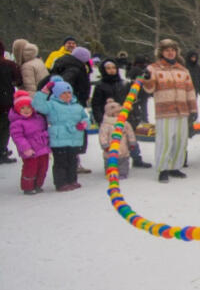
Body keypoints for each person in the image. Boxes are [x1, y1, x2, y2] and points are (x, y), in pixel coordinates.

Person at [141, 39, 197, 183]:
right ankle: (162, 169)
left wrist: (193, 108)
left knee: (180, 140)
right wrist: (146, 79)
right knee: (164, 141)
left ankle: (174, 166)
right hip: (165, 110)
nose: (170, 52)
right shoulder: (154, 68)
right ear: (161, 52)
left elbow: (190, 90)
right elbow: (150, 89)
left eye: (173, 50)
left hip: (182, 110)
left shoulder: (183, 70)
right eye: (167, 50)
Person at [32, 76, 89, 191]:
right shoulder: (51, 105)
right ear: (57, 94)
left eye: (69, 92)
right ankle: (61, 183)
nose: (67, 95)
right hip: (59, 139)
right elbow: (37, 105)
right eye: (63, 93)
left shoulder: (77, 106)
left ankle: (72, 180)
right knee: (61, 162)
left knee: (72, 161)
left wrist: (83, 124)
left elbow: (85, 118)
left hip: (74, 138)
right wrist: (44, 91)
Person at [92, 58, 151, 168]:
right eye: (108, 68)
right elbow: (96, 104)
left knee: (131, 138)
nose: (111, 70)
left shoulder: (123, 83)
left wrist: (134, 114)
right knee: (113, 142)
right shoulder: (100, 86)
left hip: (125, 117)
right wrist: (100, 119)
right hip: (109, 120)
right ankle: (113, 163)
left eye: (113, 68)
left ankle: (137, 159)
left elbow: (131, 97)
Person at [51, 46, 93, 174]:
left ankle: (72, 162)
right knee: (72, 132)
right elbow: (65, 85)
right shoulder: (74, 68)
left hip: (71, 103)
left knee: (72, 133)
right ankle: (71, 164)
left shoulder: (66, 63)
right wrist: (71, 98)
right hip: (71, 104)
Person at [9, 91, 50, 194]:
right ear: (17, 109)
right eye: (22, 108)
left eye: (28, 107)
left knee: (43, 168)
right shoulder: (17, 123)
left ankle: (38, 185)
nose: (26, 110)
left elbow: (44, 130)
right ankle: (28, 187)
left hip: (42, 148)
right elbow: (18, 137)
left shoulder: (38, 118)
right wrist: (26, 148)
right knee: (30, 168)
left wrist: (47, 140)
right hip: (30, 150)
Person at [98, 99, 138, 179]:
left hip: (123, 149)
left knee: (123, 162)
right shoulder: (106, 124)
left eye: (120, 112)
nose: (119, 114)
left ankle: (123, 173)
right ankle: (110, 173)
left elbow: (130, 134)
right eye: (117, 112)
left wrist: (132, 142)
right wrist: (105, 145)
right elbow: (103, 136)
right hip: (110, 150)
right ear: (111, 114)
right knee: (110, 162)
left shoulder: (125, 123)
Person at [1, 40, 23, 164]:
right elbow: (18, 81)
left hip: (5, 99)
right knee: (4, 128)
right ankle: (2, 151)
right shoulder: (9, 64)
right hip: (6, 101)